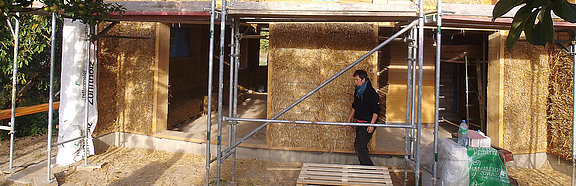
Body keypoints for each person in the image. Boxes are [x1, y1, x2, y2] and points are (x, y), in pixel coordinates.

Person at [347, 70, 380, 166]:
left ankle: (370, 169)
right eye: (355, 80)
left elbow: (376, 110)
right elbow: (355, 106)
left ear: (363, 79)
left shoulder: (371, 93)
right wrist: (349, 120)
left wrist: (371, 125)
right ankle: (364, 167)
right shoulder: (358, 90)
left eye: (357, 80)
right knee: (362, 146)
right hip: (359, 122)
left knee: (359, 146)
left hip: (367, 123)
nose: (355, 82)